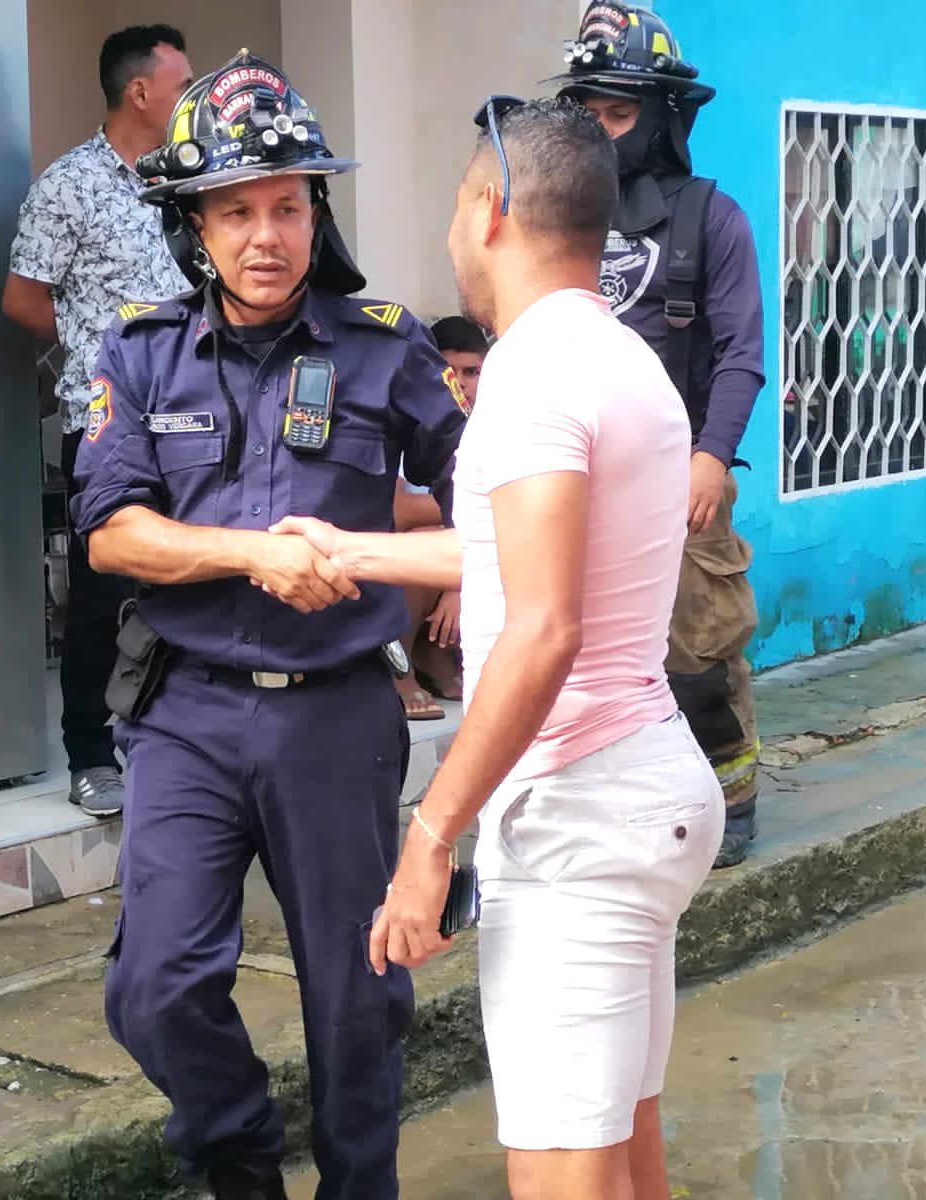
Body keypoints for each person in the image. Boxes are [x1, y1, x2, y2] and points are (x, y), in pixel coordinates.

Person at [269, 95, 723, 1200]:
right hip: (645, 785)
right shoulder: (622, 361)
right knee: (623, 1153)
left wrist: (430, 838)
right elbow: (520, 561)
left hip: (580, 810)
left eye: (454, 201)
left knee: (562, 1175)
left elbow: (543, 629)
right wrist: (356, 550)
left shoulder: (526, 374)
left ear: (488, 208)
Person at [71, 50, 467, 1200]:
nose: (265, 236)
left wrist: (454, 568)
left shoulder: (384, 342)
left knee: (360, 994)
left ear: (315, 213)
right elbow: (110, 533)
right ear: (195, 224)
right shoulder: (140, 352)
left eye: (287, 206)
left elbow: (487, 486)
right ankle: (238, 1162)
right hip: (186, 715)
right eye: (236, 210)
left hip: (337, 716)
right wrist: (255, 553)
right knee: (155, 985)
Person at [548, 2, 764, 868]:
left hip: (680, 477)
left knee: (700, 646)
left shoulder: (712, 218)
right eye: (586, 113)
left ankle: (731, 791)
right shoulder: (558, 217)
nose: (600, 132)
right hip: (575, 476)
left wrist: (711, 458)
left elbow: (745, 350)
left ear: (664, 115)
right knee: (580, 647)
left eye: (619, 113)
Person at [3, 24, 194, 816]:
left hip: (196, 413)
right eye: (181, 86)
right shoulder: (69, 184)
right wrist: (89, 350)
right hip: (111, 418)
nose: (192, 100)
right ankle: (89, 750)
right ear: (139, 92)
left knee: (189, 576)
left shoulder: (187, 180)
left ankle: (176, 738)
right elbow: (22, 298)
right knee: (103, 587)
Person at [391, 315, 486, 719]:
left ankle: (436, 656)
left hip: (453, 562)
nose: (460, 383)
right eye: (450, 372)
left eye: (472, 372)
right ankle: (401, 669)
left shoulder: (497, 425)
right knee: (430, 536)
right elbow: (395, 512)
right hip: (381, 559)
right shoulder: (404, 415)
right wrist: (474, 512)